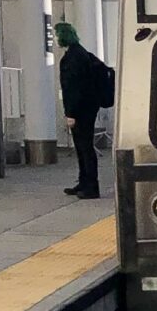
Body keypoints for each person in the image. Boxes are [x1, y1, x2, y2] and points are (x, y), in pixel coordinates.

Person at [55, 22, 110, 199]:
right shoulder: (81, 53)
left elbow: (73, 88)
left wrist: (70, 113)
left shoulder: (73, 58)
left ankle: (91, 186)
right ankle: (84, 181)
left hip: (81, 109)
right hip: (88, 106)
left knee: (84, 147)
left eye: (57, 35)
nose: (56, 38)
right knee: (83, 146)